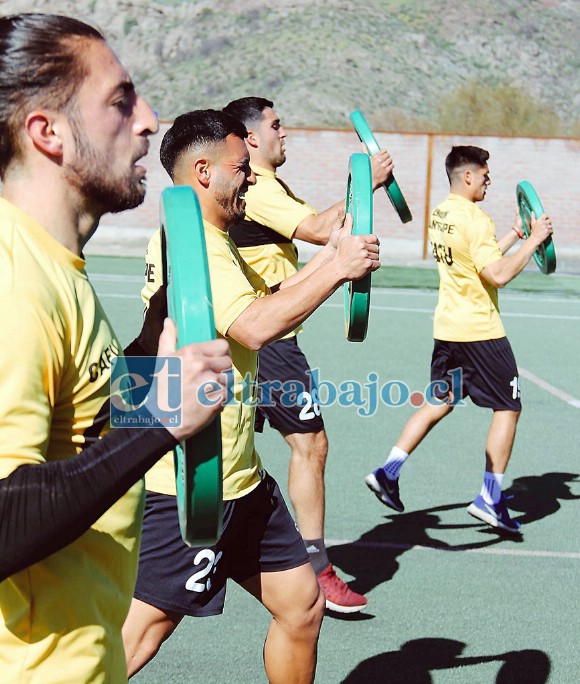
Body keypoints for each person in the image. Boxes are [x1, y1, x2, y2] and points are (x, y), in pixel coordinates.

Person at [0, 14, 231, 683]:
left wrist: (149, 349)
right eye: (121, 101)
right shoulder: (16, 281)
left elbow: (81, 434)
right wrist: (163, 419)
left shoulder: (55, 271)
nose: (149, 120)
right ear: (48, 133)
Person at [122, 109, 381, 682]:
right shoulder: (196, 245)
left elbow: (261, 296)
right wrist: (337, 268)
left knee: (302, 605)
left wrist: (328, 258)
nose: (251, 180)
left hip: (242, 476)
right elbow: (254, 326)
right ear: (205, 170)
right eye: (243, 169)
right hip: (191, 481)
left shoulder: (210, 237)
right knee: (138, 638)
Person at [222, 96, 393, 612]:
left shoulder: (265, 186)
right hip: (265, 330)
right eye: (276, 126)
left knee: (265, 450)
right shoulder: (262, 186)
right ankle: (316, 567)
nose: (285, 133)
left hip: (268, 330)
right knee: (310, 445)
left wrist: (359, 197)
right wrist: (370, 185)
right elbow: (322, 230)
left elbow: (328, 230)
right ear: (250, 138)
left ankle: (254, 548)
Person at [365, 145, 553, 534]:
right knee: (508, 407)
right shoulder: (475, 217)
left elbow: (477, 264)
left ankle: (388, 470)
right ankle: (490, 496)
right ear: (467, 176)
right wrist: (534, 240)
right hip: (481, 333)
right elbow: (497, 275)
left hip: (448, 330)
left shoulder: (443, 213)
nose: (489, 181)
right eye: (485, 175)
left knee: (439, 402)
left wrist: (516, 235)